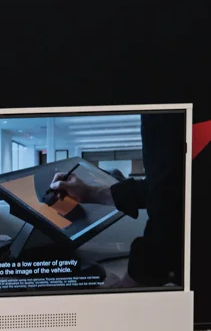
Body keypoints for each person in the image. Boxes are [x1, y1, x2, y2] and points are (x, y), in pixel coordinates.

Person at [48, 112, 185, 288]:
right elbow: (161, 187)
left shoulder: (164, 112)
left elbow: (169, 200)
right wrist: (91, 193)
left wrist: (128, 285)